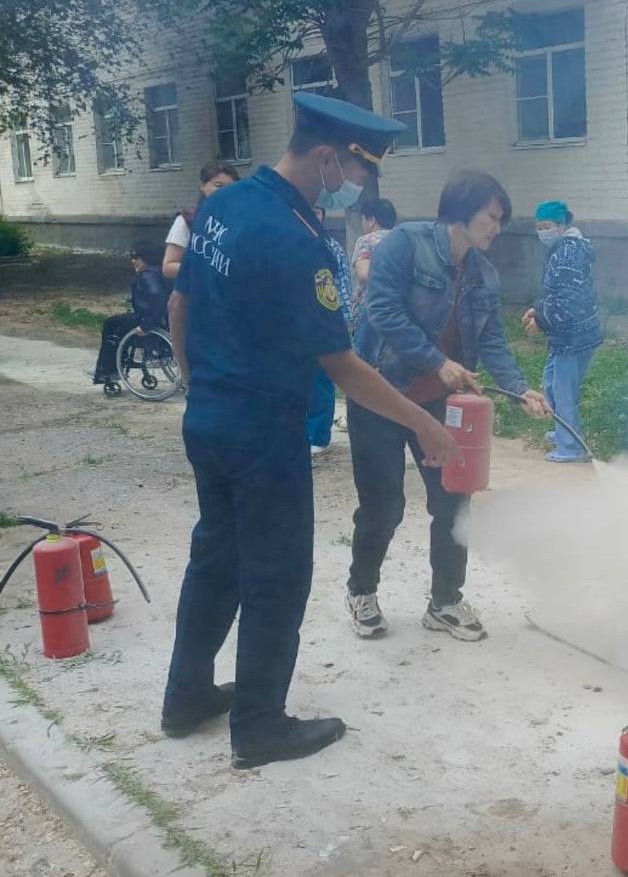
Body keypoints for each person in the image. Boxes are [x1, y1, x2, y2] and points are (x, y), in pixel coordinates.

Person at [161, 92, 458, 770]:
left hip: (207, 419)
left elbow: (180, 303)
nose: (353, 188)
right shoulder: (299, 241)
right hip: (264, 433)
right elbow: (344, 366)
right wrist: (424, 425)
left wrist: (197, 385)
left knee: (216, 558)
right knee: (277, 574)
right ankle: (260, 726)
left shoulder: (222, 204)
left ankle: (186, 695)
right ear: (326, 156)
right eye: (351, 173)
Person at [344, 170, 551, 642]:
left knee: (453, 500)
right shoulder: (404, 245)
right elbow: (382, 311)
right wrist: (437, 361)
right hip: (381, 395)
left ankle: (444, 601)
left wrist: (521, 387)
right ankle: (362, 590)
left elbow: (493, 339)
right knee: (384, 506)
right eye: (492, 217)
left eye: (501, 219)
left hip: (439, 407)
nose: (498, 227)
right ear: (463, 209)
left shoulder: (483, 273)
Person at [520, 200, 602, 463]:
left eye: (547, 226)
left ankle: (570, 447)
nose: (543, 232)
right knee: (552, 382)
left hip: (573, 336)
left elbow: (567, 302)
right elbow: (555, 294)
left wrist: (541, 320)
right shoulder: (563, 248)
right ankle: (564, 431)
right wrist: (538, 309)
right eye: (539, 227)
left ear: (562, 225)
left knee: (563, 389)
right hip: (566, 334)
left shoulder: (568, 253)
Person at [306, 209, 355, 458]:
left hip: (323, 323)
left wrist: (344, 322)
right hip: (293, 325)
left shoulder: (330, 247)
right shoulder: (288, 242)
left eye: (317, 212)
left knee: (320, 380)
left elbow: (342, 287)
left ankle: (318, 436)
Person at [90, 243, 169, 392]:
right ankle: (113, 365)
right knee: (120, 322)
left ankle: (107, 370)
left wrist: (146, 325)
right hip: (165, 321)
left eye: (136, 257)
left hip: (150, 321)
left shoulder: (148, 276)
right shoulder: (164, 273)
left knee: (111, 324)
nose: (133, 261)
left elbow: (156, 297)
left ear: (147, 258)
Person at [162, 161, 240, 282]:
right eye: (218, 185)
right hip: (200, 294)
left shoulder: (242, 221)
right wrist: (210, 269)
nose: (225, 192)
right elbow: (168, 267)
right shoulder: (188, 220)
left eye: (232, 188)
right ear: (203, 187)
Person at [350, 197, 397, 318]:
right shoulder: (402, 239)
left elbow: (364, 273)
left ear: (371, 220)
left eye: (363, 220)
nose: (362, 224)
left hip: (371, 307)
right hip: (399, 307)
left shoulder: (366, 240)